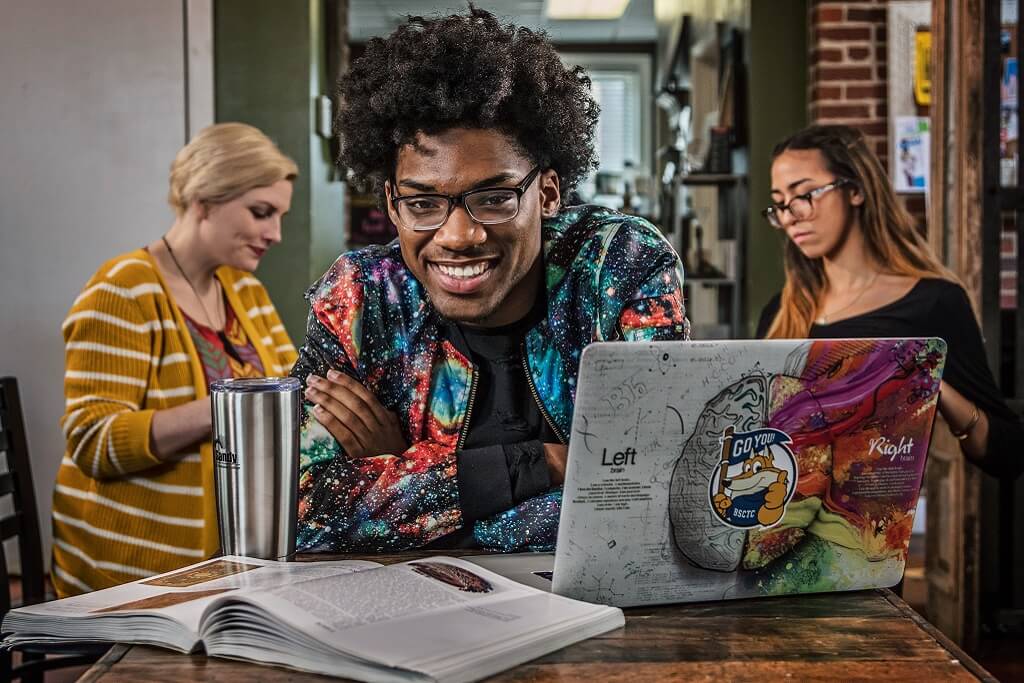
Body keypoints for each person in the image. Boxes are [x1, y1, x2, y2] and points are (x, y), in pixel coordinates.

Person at [293, 8, 689, 553]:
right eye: (424, 202)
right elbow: (300, 513)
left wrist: (403, 470)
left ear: (547, 193)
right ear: (392, 203)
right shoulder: (362, 301)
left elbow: (665, 487)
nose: (459, 235)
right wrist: (546, 463)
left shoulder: (616, 266)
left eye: (495, 198)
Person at [54, 122, 300, 596]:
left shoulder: (244, 289)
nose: (275, 234)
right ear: (204, 200)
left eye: (279, 217)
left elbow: (292, 389)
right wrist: (231, 408)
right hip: (135, 566)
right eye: (261, 212)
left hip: (231, 557)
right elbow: (93, 442)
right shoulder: (124, 289)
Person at [756, 123, 1023, 479]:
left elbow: (1008, 453)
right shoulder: (780, 313)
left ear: (856, 190)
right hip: (780, 519)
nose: (790, 216)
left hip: (878, 525)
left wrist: (932, 385)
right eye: (780, 204)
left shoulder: (933, 302)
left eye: (804, 195)